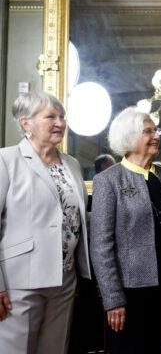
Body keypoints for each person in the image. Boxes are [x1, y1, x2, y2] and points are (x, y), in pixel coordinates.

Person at [0, 91, 91, 354]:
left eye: (62, 116)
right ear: (25, 123)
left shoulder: (72, 164)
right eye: (50, 116)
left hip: (65, 279)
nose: (60, 123)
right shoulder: (6, 160)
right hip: (19, 282)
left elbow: (75, 216)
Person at [90, 107, 161, 354]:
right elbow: (101, 245)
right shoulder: (109, 180)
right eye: (148, 131)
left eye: (156, 130)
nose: (156, 136)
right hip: (128, 291)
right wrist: (113, 298)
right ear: (129, 137)